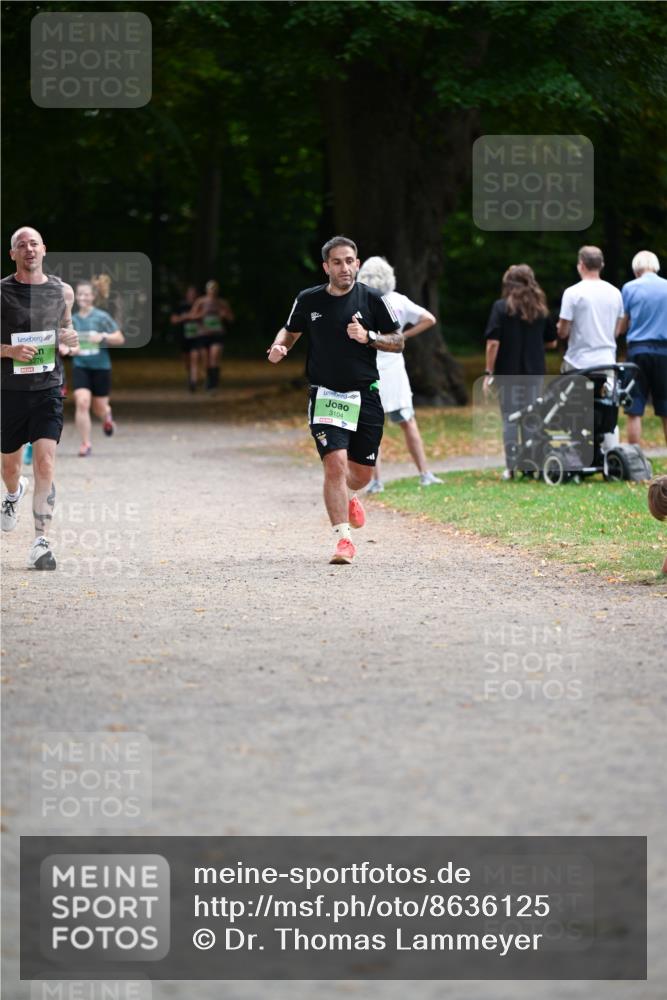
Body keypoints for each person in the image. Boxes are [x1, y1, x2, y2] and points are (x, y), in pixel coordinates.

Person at [267, 235, 403, 564]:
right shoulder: (309, 299)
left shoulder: (372, 299)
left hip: (366, 395)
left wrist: (368, 337)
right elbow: (290, 329)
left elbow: (398, 341)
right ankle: (343, 539)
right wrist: (280, 346)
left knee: (360, 475)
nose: (345, 267)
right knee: (334, 465)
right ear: (326, 266)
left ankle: (352, 495)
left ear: (357, 263)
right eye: (338, 262)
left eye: (350, 261)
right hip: (326, 393)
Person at [1, 226, 78, 569]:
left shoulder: (63, 292)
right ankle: (13, 494)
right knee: (10, 466)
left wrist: (69, 340)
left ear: (44, 249)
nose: (29, 249)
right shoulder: (1, 292)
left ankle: (40, 542)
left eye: (34, 243)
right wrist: (10, 350)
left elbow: (66, 330)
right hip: (9, 391)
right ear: (13, 254)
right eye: (22, 245)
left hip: (48, 388)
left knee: (46, 461)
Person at [356, 256, 441, 492]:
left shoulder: (362, 302)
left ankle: (376, 480)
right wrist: (403, 336)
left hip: (370, 368)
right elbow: (429, 319)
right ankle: (425, 473)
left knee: (373, 426)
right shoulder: (399, 301)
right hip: (394, 368)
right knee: (408, 421)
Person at [483, 265, 557, 479]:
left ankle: (511, 467)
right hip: (534, 373)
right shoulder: (540, 309)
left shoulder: (500, 307)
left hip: (507, 373)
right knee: (531, 418)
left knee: (509, 418)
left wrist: (489, 372)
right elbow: (552, 341)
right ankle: (531, 465)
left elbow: (492, 343)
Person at [70, 280, 125, 457]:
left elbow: (119, 338)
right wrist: (70, 349)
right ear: (76, 297)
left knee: (99, 407)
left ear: (93, 296)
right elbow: (65, 343)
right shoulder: (72, 319)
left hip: (101, 367)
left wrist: (102, 336)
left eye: (87, 294)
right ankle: (86, 443)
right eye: (80, 294)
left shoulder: (102, 317)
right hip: (81, 366)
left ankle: (107, 416)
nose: (83, 297)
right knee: (82, 401)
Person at [618, 250, 667, 446]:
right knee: (666, 408)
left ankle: (634, 461)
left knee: (634, 408)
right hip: (664, 352)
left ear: (636, 269)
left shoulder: (629, 288)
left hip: (637, 352)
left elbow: (622, 325)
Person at [557, 246, 624, 371]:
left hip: (578, 362)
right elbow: (616, 332)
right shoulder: (616, 293)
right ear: (601, 265)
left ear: (581, 264)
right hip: (607, 361)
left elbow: (563, 332)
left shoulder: (572, 293)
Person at [189, 279, 234, 392]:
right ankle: (208, 380)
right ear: (207, 290)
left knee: (215, 356)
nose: (213, 291)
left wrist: (225, 315)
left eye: (215, 289)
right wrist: (201, 315)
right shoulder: (201, 302)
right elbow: (192, 316)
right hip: (203, 334)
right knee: (206, 361)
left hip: (217, 334)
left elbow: (231, 318)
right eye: (211, 288)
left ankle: (213, 384)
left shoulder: (222, 303)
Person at [170, 284, 202, 392]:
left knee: (195, 358)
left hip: (197, 337)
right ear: (187, 295)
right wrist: (185, 317)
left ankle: (194, 381)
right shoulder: (181, 306)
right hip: (184, 337)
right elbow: (173, 320)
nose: (192, 295)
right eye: (190, 293)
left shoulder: (201, 305)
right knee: (187, 361)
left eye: (194, 293)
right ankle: (190, 376)